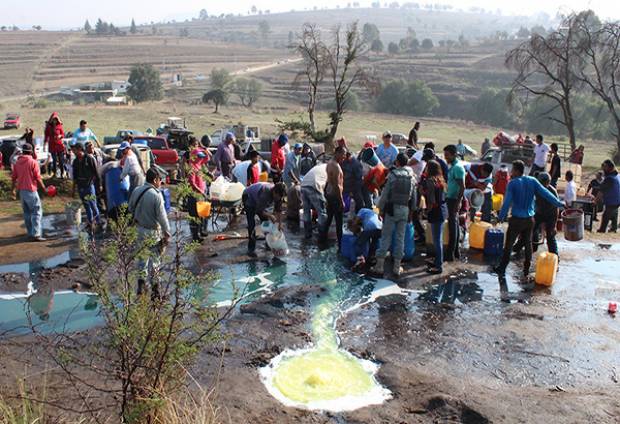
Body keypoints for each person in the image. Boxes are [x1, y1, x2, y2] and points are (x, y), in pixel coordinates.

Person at [494, 160, 564, 277]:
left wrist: (501, 217)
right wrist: (559, 203)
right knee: (528, 243)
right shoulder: (532, 181)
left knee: (509, 244)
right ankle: (526, 269)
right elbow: (546, 193)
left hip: (516, 219)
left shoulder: (512, 183)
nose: (511, 172)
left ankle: (502, 268)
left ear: (516, 171)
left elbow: (506, 203)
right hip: (529, 219)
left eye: (512, 170)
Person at [371, 153, 416, 278]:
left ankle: (379, 266)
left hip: (391, 210)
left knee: (386, 237)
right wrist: (411, 212)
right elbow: (414, 198)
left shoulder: (392, 175)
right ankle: (397, 267)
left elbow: (385, 195)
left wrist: (379, 209)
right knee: (400, 238)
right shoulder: (412, 177)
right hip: (405, 210)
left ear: (397, 162)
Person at [129, 168, 171, 298]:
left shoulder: (136, 190)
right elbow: (162, 217)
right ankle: (155, 291)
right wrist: (167, 232)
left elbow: (130, 208)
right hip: (153, 233)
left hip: (138, 230)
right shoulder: (156, 195)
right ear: (155, 180)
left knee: (142, 259)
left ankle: (141, 288)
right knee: (155, 261)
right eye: (160, 180)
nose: (161, 183)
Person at [513, 172, 560, 258]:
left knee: (550, 236)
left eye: (545, 183)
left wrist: (554, 225)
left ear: (548, 183)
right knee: (528, 231)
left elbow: (556, 209)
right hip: (538, 213)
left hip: (550, 215)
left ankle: (555, 257)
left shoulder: (553, 191)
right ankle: (516, 249)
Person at [11, 144, 47, 241]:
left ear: (22, 151)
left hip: (22, 192)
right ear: (31, 152)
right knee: (36, 212)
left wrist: (13, 190)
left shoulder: (17, 162)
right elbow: (38, 178)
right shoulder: (33, 162)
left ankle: (30, 233)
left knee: (27, 213)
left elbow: (14, 178)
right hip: (31, 190)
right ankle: (36, 234)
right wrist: (44, 189)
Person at [242, 182, 286, 257]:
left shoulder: (279, 196)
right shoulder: (265, 193)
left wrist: (279, 224)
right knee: (251, 224)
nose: (279, 199)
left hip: (258, 199)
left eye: (281, 197)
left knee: (266, 224)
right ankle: (251, 249)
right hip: (248, 197)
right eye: (278, 196)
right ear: (274, 192)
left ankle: (268, 244)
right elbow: (259, 211)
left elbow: (279, 211)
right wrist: (270, 216)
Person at [422, 160, 447, 274]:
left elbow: (431, 201)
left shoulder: (430, 182)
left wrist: (427, 212)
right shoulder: (440, 180)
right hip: (442, 210)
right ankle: (438, 261)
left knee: (437, 240)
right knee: (438, 239)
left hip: (435, 212)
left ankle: (438, 266)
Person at [443, 145, 465, 262]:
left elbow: (462, 187)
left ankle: (450, 253)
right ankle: (455, 251)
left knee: (453, 226)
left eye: (447, 155)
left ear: (454, 154)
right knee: (454, 225)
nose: (446, 158)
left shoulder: (457, 167)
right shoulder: (453, 166)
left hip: (453, 200)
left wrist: (458, 202)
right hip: (450, 198)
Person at [186, 137, 210, 242]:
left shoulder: (198, 164)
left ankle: (200, 232)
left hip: (200, 193)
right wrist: (201, 192)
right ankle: (195, 236)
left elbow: (208, 158)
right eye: (199, 157)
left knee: (201, 214)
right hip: (194, 195)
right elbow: (192, 183)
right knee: (195, 216)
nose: (201, 159)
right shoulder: (192, 166)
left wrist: (204, 149)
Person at [72, 143, 101, 230]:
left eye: (75, 150)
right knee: (86, 206)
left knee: (93, 205)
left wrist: (99, 185)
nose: (73, 152)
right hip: (81, 187)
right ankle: (90, 222)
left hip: (89, 186)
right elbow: (75, 176)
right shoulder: (75, 161)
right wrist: (73, 189)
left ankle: (98, 223)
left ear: (80, 149)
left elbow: (96, 172)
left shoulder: (89, 158)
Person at [321, 147, 346, 249]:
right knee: (339, 222)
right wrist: (341, 201)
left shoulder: (330, 163)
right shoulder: (336, 166)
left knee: (329, 218)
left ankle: (322, 240)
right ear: (337, 153)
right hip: (335, 196)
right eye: (343, 154)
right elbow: (337, 185)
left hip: (329, 194)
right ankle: (341, 245)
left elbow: (329, 182)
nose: (344, 156)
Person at [301, 163, 328, 240]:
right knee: (322, 213)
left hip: (303, 185)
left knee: (306, 211)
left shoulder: (320, 166)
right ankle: (321, 237)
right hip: (314, 186)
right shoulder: (331, 168)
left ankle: (308, 234)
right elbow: (329, 187)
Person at [597, 160, 620, 233]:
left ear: (609, 168)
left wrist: (595, 201)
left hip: (611, 202)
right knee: (614, 214)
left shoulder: (609, 178)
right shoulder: (617, 176)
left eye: (604, 167)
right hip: (617, 202)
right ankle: (614, 228)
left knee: (606, 216)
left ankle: (602, 229)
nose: (603, 169)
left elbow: (601, 192)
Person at [341, 148, 364, 213]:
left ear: (348, 157)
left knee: (359, 203)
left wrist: (352, 191)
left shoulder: (356, 164)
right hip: (345, 188)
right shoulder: (344, 162)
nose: (343, 160)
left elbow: (359, 179)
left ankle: (360, 217)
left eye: (345, 158)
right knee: (345, 205)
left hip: (355, 188)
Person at [44, 112, 66, 178]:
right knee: (54, 160)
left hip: (59, 145)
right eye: (53, 119)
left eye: (55, 120)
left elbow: (63, 134)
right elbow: (46, 135)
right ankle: (54, 173)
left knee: (61, 160)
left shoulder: (59, 126)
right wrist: (45, 144)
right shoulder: (48, 127)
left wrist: (60, 136)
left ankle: (62, 173)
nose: (54, 121)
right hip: (52, 145)